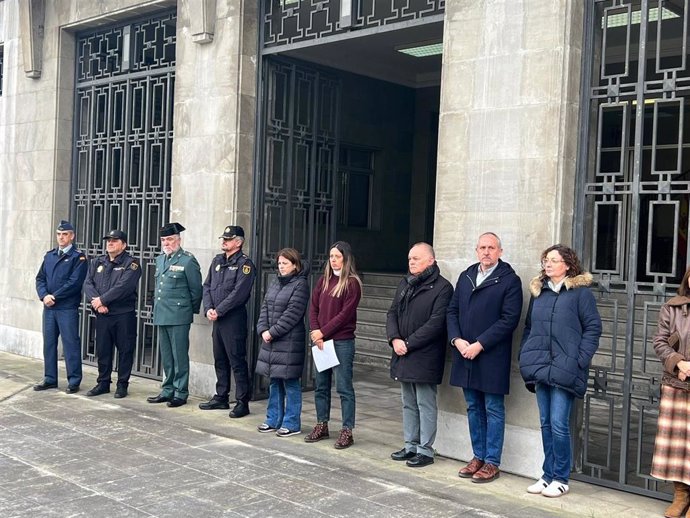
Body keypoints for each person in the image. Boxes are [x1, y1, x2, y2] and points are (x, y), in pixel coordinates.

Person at [519, 244, 601, 498]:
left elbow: (593, 328)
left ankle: (561, 478)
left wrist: (580, 359)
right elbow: (529, 327)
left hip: (566, 368)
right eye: (546, 260)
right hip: (541, 366)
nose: (548, 264)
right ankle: (547, 475)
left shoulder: (581, 294)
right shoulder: (539, 292)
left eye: (554, 260)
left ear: (567, 265)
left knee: (558, 423)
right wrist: (526, 353)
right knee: (545, 423)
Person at [447, 232, 523, 483]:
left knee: (493, 408)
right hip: (464, 353)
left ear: (500, 251)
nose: (486, 251)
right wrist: (456, 340)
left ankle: (492, 462)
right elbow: (452, 311)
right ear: (476, 250)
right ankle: (477, 456)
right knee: (473, 407)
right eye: (482, 247)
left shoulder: (509, 281)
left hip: (490, 356)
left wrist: (480, 344)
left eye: (492, 247)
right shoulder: (466, 275)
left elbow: (509, 319)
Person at [386, 243, 453, 468]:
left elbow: (436, 323)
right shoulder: (406, 283)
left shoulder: (442, 288)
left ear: (431, 261)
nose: (411, 262)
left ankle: (425, 450)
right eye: (409, 258)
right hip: (402, 352)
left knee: (425, 403)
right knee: (408, 403)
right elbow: (392, 312)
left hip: (424, 354)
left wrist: (408, 343)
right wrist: (395, 339)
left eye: (416, 258)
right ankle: (410, 445)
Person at [305, 241, 362, 449]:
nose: (334, 260)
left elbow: (344, 316)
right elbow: (313, 307)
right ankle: (322, 424)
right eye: (331, 256)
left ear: (346, 259)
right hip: (321, 341)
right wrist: (315, 332)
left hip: (342, 342)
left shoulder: (352, 283)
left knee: (344, 387)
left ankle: (347, 430)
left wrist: (323, 332)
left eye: (337, 256)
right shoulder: (323, 280)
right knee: (321, 385)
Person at [199, 225, 256, 418]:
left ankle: (242, 401)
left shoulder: (245, 264)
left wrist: (220, 310)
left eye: (228, 239)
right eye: (223, 238)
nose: (224, 241)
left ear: (238, 242)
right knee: (219, 358)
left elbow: (239, 293)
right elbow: (207, 286)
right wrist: (208, 309)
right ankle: (221, 396)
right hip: (217, 318)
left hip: (233, 318)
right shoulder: (217, 260)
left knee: (237, 360)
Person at [147, 222, 202, 408]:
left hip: (179, 314)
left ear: (178, 240)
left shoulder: (187, 260)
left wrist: (188, 311)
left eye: (170, 239)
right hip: (162, 313)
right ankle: (167, 389)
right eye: (163, 240)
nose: (166, 243)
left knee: (179, 356)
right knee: (167, 355)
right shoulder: (160, 259)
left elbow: (196, 291)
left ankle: (181, 392)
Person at [255, 248, 310, 437]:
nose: (281, 267)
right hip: (271, 339)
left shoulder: (300, 284)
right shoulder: (275, 282)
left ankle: (292, 423)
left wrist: (272, 332)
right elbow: (265, 308)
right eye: (279, 263)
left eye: (285, 263)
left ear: (295, 265)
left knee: (290, 382)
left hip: (289, 341)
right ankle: (272, 419)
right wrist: (262, 329)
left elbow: (292, 314)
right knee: (274, 380)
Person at [650, 265, 690, 518]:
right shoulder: (673, 307)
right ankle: (681, 494)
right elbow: (660, 341)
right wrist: (679, 362)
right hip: (677, 383)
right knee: (677, 444)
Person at [83, 230, 142, 398]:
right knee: (103, 349)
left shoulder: (132, 264)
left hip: (123, 314)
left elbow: (124, 287)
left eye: (115, 240)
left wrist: (102, 300)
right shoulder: (97, 262)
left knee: (125, 350)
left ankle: (122, 384)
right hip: (102, 314)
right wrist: (97, 304)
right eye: (108, 240)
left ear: (123, 245)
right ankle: (103, 382)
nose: (110, 243)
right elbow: (88, 283)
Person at [34, 220, 88, 393]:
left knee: (70, 343)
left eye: (65, 234)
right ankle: (50, 378)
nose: (61, 237)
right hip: (49, 307)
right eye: (59, 234)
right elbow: (40, 278)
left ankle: (74, 380)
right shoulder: (49, 255)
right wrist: (44, 296)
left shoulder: (78, 257)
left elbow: (74, 283)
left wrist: (54, 296)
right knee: (49, 344)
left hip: (66, 308)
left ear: (72, 236)